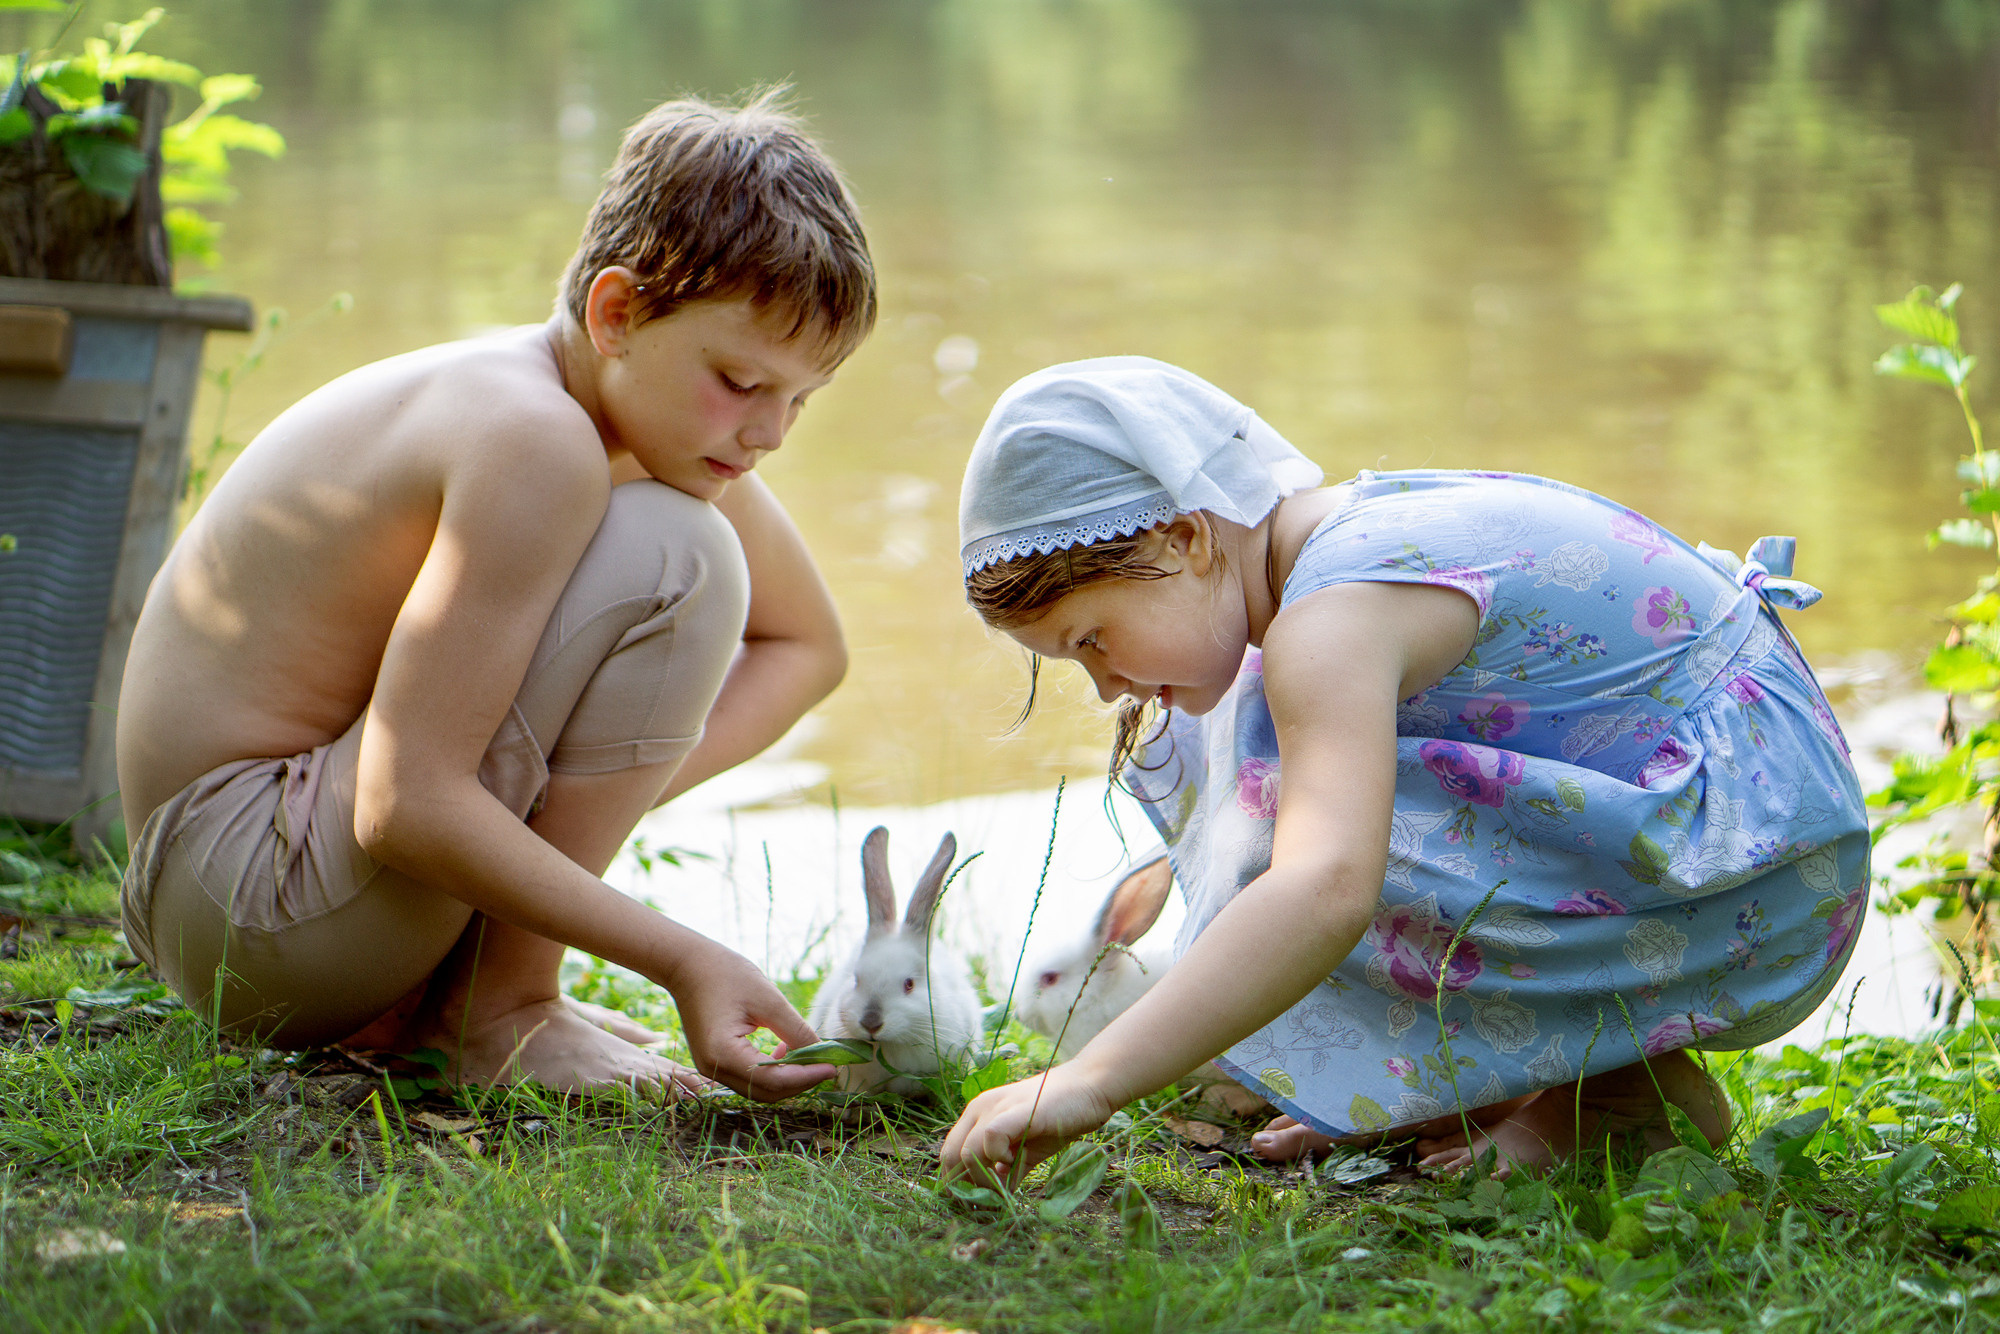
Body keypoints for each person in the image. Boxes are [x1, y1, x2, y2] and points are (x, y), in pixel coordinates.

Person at [940, 357, 1869, 1177]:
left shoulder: (1329, 619)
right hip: (1746, 825)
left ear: (1187, 537)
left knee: (1289, 812)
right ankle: (1499, 1084)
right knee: (1221, 732)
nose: (1105, 686)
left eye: (1093, 638)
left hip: (1750, 856)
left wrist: (1092, 1079)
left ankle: (1624, 1103)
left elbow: (1324, 888)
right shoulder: (1333, 545)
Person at [114, 91, 869, 1100]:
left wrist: (573, 806)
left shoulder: (630, 414)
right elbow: (402, 804)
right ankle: (502, 1010)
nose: (771, 430)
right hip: (252, 902)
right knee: (679, 557)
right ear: (616, 313)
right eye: (739, 379)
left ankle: (480, 995)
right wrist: (684, 954)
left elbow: (810, 646)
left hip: (229, 903)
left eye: (799, 398)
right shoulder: (532, 436)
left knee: (680, 536)